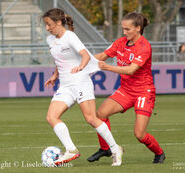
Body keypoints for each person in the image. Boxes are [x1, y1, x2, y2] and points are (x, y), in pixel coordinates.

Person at [42, 8, 123, 166]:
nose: (47, 28)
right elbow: (60, 59)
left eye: (49, 24)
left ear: (58, 22)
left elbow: (85, 55)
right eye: (45, 25)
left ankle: (115, 148)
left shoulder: (70, 36)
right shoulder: (50, 40)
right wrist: (55, 75)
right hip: (65, 86)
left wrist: (81, 66)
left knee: (91, 119)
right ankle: (71, 150)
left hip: (80, 81)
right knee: (51, 117)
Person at [87, 12, 166, 164]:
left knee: (139, 134)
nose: (124, 32)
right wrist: (82, 61)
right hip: (126, 90)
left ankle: (159, 153)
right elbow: (103, 56)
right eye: (123, 29)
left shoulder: (144, 46)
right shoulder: (120, 42)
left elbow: (131, 69)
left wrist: (108, 68)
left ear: (138, 28)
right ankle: (106, 148)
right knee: (101, 114)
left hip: (144, 92)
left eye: (127, 29)